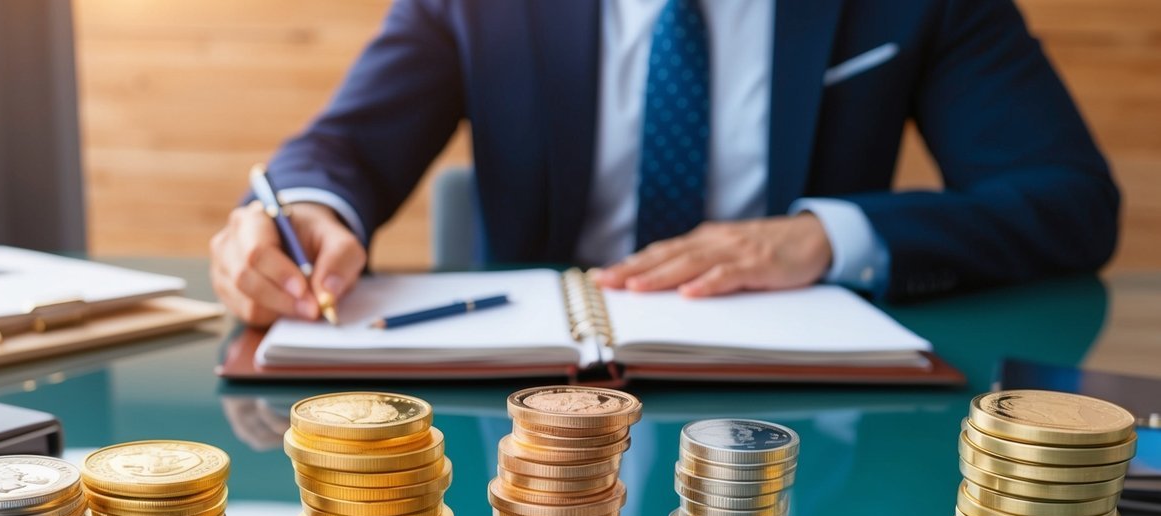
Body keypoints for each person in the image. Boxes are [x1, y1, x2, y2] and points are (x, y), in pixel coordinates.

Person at [209, 0, 1118, 327]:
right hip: (529, 414)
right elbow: (344, 146)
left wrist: (826, 236)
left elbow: (1068, 200)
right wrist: (301, 209)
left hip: (811, 408)